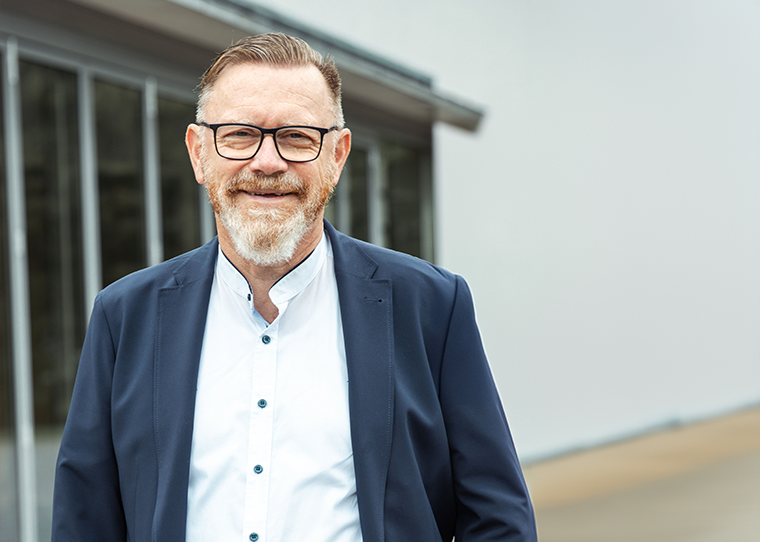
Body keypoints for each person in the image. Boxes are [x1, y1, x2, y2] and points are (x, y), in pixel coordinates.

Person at [52, 33, 537, 542]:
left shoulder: (432, 306)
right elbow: (84, 519)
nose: (267, 162)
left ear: (337, 155)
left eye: (297, 137)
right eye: (239, 134)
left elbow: (498, 518)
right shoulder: (124, 315)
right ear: (198, 154)